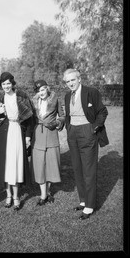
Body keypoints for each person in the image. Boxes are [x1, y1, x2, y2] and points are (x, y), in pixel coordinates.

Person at [63, 68, 109, 220]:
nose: (70, 83)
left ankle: (89, 206)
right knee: (77, 169)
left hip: (87, 131)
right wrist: (68, 129)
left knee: (88, 170)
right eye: (67, 81)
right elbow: (67, 115)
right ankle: (83, 201)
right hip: (72, 134)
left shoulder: (91, 92)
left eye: (73, 80)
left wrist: (93, 128)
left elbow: (103, 111)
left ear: (79, 79)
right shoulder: (66, 96)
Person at [0, 72, 34, 211]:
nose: (6, 86)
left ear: (12, 84)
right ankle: (8, 196)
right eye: (3, 84)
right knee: (5, 164)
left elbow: (30, 118)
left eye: (8, 83)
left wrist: (28, 136)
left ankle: (17, 197)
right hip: (2, 133)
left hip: (17, 130)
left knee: (16, 163)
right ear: (1, 85)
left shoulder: (21, 96)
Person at [31, 80, 65, 206]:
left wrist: (57, 123)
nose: (41, 93)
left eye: (43, 89)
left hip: (51, 136)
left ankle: (48, 191)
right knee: (39, 165)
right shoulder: (33, 102)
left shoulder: (55, 99)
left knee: (51, 164)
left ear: (47, 89)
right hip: (38, 135)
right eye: (39, 91)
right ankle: (43, 194)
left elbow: (62, 116)